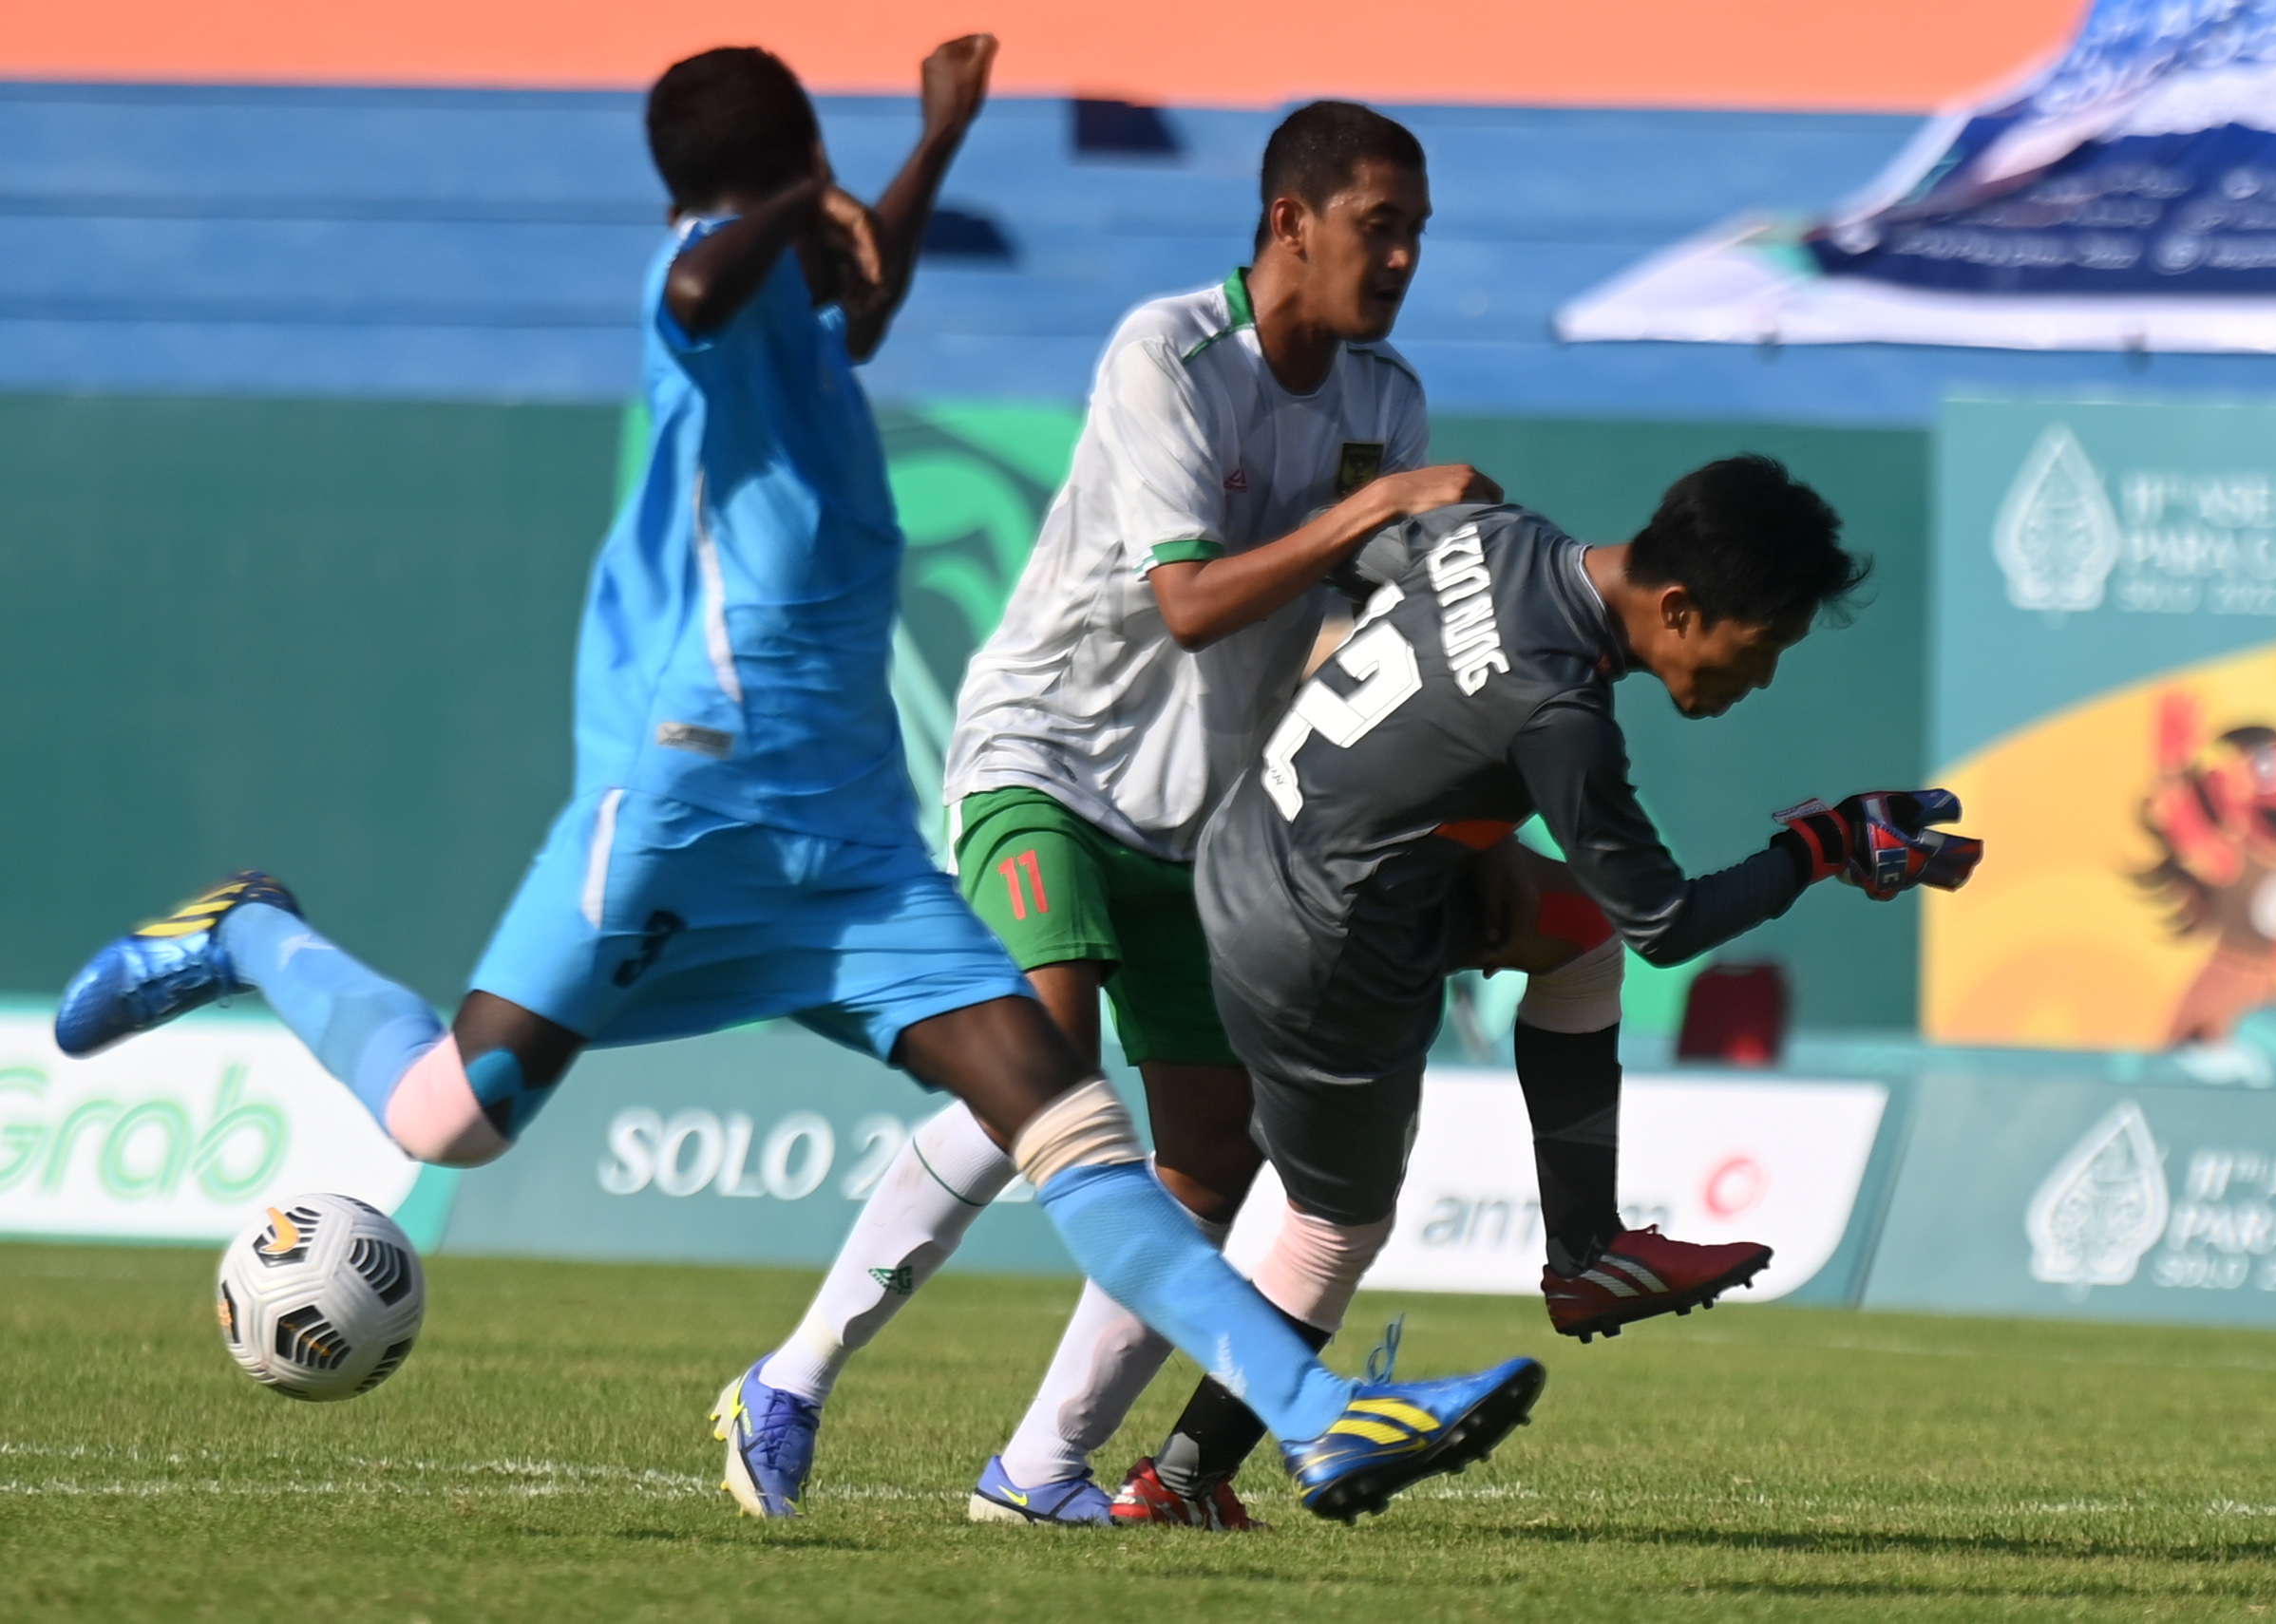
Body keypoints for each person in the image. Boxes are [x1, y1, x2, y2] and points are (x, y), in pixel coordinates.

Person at [49, 44, 1543, 1529]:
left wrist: (933, 145)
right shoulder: (705, 284)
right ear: (776, 169)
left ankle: (1308, 1419)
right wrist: (792, 200)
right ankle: (250, 931)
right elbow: (701, 285)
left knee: (1063, 1114)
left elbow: (866, 294)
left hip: (848, 832)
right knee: (453, 1118)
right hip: (688, 803)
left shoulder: (806, 323)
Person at [743, 100, 1506, 1530]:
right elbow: (1192, 602)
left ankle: (1039, 1470)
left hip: (1199, 815)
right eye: (1377, 226)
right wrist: (1375, 512)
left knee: (1215, 1154)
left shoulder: (1384, 399)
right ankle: (790, 1377)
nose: (1401, 257)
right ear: (1290, 222)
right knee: (1046, 1065)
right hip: (1048, 757)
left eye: (1415, 233)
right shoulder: (1168, 352)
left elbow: (1359, 623)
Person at [1118, 459, 1983, 1512]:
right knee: (1335, 1230)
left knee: (1577, 942)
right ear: (1678, 606)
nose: (1759, 681)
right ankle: (1178, 1481)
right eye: (1759, 650)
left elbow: (1358, 551)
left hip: (1262, 848)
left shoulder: (1496, 538)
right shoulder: (1560, 711)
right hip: (1322, 936)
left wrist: (1448, 793)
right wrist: (1824, 843)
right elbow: (1668, 924)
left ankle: (1586, 1254)